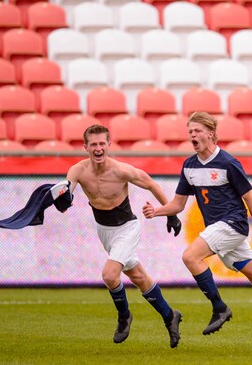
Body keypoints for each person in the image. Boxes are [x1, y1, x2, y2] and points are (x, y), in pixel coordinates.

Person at [141, 112, 252, 353]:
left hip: (233, 225)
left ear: (211, 134)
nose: (193, 135)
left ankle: (219, 307)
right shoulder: (189, 166)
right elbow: (178, 204)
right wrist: (157, 211)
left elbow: (250, 199)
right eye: (190, 131)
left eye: (197, 130)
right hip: (219, 230)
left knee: (190, 256)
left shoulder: (228, 163)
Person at [65, 125, 183, 348]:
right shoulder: (77, 171)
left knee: (110, 276)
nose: (98, 148)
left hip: (127, 228)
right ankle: (170, 316)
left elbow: (150, 183)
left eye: (102, 144)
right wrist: (61, 200)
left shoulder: (121, 170)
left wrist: (171, 214)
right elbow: (65, 192)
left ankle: (124, 316)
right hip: (105, 231)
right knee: (139, 277)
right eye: (94, 144)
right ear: (85, 147)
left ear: (109, 145)